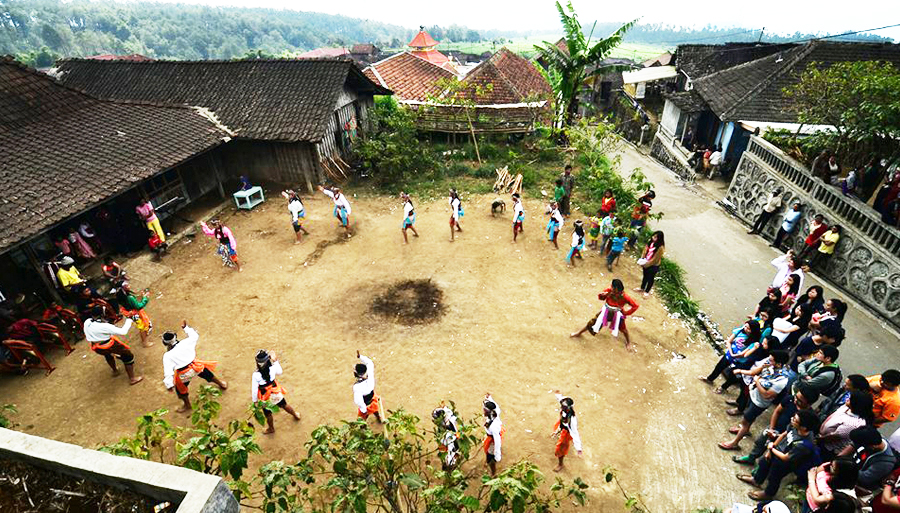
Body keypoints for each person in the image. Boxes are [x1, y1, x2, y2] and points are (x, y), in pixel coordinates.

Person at [736, 409, 821, 501]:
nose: (792, 419)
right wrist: (772, 448)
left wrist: (771, 448)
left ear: (804, 427)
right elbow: (784, 434)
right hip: (776, 451)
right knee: (763, 463)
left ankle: (768, 494)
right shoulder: (794, 426)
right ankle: (756, 480)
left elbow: (786, 458)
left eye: (795, 420)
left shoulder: (804, 445)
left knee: (774, 477)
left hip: (785, 463)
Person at [733, 383, 820, 467]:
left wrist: (779, 436)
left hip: (786, 439)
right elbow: (777, 411)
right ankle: (751, 458)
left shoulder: (809, 416)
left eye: (800, 401)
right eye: (796, 397)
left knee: (770, 456)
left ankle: (758, 472)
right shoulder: (790, 400)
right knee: (760, 442)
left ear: (809, 403)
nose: (795, 400)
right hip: (775, 427)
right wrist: (771, 428)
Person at [719, 350, 791, 450]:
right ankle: (745, 429)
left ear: (779, 363)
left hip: (759, 403)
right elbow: (755, 372)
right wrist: (741, 371)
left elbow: (767, 395)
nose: (768, 362)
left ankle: (735, 443)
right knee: (748, 419)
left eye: (771, 360)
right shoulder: (770, 365)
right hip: (754, 395)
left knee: (746, 420)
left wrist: (757, 381)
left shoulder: (781, 380)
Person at [162, 320, 227, 413]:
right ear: (175, 337)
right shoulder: (185, 342)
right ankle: (221, 384)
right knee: (207, 374)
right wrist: (186, 328)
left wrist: (169, 385)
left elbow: (168, 372)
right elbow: (194, 336)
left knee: (181, 390)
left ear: (165, 343)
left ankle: (187, 405)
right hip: (196, 366)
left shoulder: (167, 356)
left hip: (183, 374)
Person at [570, 279, 639, 352]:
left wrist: (626, 313)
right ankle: (579, 333)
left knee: (623, 329)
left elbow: (635, 306)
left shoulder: (625, 297)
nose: (613, 290)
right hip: (606, 312)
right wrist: (603, 295)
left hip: (617, 314)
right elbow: (601, 298)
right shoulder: (609, 290)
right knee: (592, 322)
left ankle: (628, 342)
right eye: (612, 288)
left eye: (616, 290)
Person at [83, 307, 143, 385]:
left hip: (97, 347)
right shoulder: (104, 326)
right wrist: (129, 319)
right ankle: (132, 379)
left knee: (107, 355)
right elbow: (123, 331)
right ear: (101, 315)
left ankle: (115, 371)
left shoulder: (87, 322)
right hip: (109, 345)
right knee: (128, 356)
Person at [251, 350, 301, 434]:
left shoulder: (255, 375)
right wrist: (275, 360)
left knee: (268, 414)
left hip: (264, 397)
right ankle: (295, 414)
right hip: (275, 392)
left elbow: (254, 389)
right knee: (284, 405)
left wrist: (255, 401)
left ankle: (271, 428)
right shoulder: (272, 368)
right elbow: (280, 372)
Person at [817, 391, 873, 461]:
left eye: (850, 399)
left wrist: (817, 440)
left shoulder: (853, 424)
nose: (847, 399)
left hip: (827, 448)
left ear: (855, 405)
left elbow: (833, 437)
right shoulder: (847, 407)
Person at [839, 426, 896, 491]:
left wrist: (844, 465)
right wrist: (839, 457)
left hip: (856, 484)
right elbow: (854, 444)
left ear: (872, 447)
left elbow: (864, 478)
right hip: (849, 468)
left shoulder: (885, 463)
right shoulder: (874, 438)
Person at [551, 391, 582, 471]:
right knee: (555, 428)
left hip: (567, 432)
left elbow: (575, 434)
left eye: (563, 407)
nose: (561, 407)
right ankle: (558, 432)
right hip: (562, 423)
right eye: (562, 405)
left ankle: (560, 464)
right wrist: (557, 393)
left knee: (560, 448)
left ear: (568, 408)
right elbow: (560, 398)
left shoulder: (572, 420)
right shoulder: (564, 405)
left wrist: (578, 449)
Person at [116, 282, 153, 348]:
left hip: (131, 314)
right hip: (137, 314)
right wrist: (145, 298)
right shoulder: (129, 297)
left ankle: (144, 341)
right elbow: (138, 306)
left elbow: (131, 304)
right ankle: (145, 343)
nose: (129, 285)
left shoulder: (120, 296)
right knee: (143, 327)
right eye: (127, 285)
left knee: (142, 326)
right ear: (123, 289)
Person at [353, 351, 384, 423]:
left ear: (356, 374)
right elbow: (369, 363)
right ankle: (378, 418)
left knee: (362, 418)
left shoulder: (357, 387)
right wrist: (360, 357)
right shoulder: (369, 374)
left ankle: (363, 425)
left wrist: (364, 410)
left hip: (366, 404)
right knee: (375, 409)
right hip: (372, 397)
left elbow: (359, 401)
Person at [636, 231, 665, 297]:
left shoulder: (660, 248)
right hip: (646, 261)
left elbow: (655, 259)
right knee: (645, 276)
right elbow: (645, 250)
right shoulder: (651, 242)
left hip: (653, 266)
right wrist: (642, 259)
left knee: (650, 278)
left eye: (655, 237)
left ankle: (647, 291)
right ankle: (642, 288)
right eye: (653, 236)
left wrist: (646, 264)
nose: (653, 238)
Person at [432, 404, 461, 470]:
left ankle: (450, 467)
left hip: (452, 441)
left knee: (450, 455)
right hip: (450, 442)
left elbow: (451, 429)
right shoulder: (448, 417)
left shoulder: (450, 422)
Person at [483, 393, 504, 476]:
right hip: (490, 436)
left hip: (492, 440)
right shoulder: (495, 412)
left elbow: (497, 441)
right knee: (487, 453)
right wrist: (489, 398)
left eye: (484, 410)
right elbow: (495, 404)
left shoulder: (493, 426)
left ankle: (493, 473)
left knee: (490, 458)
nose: (483, 411)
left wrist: (497, 454)